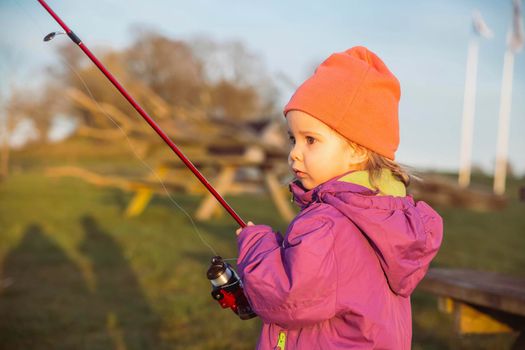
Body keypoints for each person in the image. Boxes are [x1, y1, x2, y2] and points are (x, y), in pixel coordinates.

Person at [235, 46, 443, 349]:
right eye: (293, 139)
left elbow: (286, 296)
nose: (294, 153)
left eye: (311, 140)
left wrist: (257, 245)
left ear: (358, 149)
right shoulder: (385, 215)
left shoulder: (329, 224)